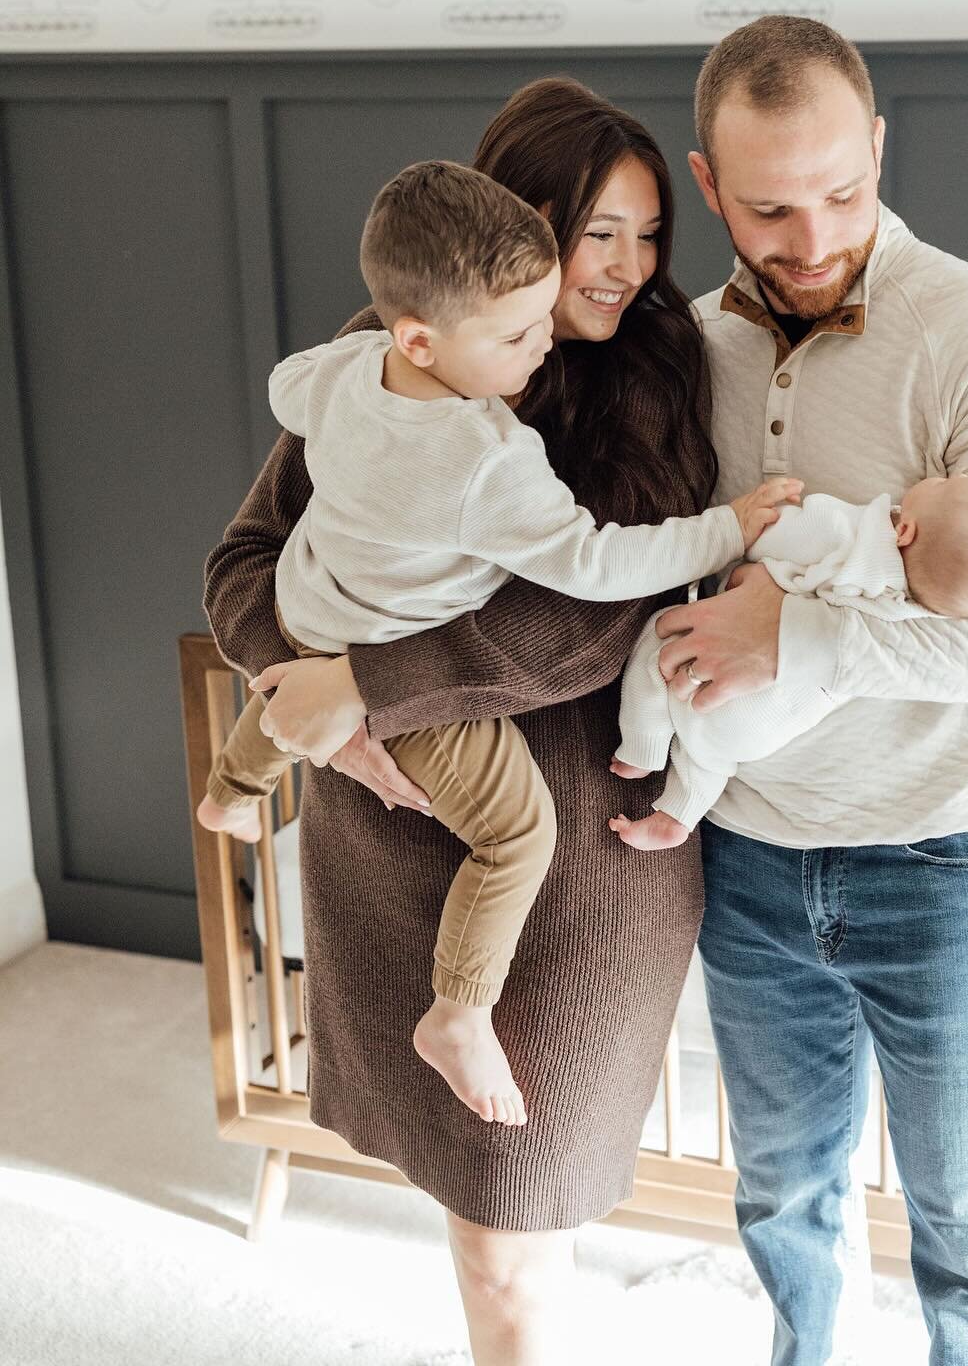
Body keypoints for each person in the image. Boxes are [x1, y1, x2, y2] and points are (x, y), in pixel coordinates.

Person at [202, 80, 722, 1364]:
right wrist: (298, 689)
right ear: (518, 217)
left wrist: (369, 687)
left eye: (648, 235)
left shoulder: (648, 378)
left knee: (514, 1223)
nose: (625, 267)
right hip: (381, 833)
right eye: (597, 230)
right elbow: (246, 558)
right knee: (473, 1230)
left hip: (567, 850)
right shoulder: (394, 352)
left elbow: (593, 620)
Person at [644, 15, 968, 1364]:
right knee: (784, 1203)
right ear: (708, 183)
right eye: (771, 207)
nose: (810, 237)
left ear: (882, 150)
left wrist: (810, 637)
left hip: (953, 864)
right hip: (750, 861)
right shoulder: (679, 351)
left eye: (843, 193)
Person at [199, 157, 798, 1123]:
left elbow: (287, 387)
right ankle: (458, 1015)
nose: (544, 343)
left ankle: (233, 792)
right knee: (516, 831)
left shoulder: (353, 366)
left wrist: (349, 684)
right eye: (599, 233)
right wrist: (733, 526)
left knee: (301, 674)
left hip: (319, 616)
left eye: (650, 235)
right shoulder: (486, 458)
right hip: (407, 710)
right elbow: (599, 567)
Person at [607, 473, 968, 850]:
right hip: (767, 726)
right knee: (711, 759)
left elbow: (777, 533)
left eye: (942, 485)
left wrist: (766, 519)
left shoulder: (852, 530)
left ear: (904, 530)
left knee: (660, 642)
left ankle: (642, 746)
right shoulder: (910, 618)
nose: (937, 478)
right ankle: (678, 816)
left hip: (714, 673)